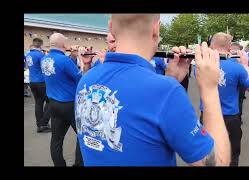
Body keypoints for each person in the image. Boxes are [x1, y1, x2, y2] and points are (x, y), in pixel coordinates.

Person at [75, 14, 231, 166]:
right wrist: (209, 89)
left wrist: (170, 79)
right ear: (156, 29)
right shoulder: (166, 92)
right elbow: (217, 162)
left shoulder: (86, 80)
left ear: (111, 27)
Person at [198, 32, 249, 166]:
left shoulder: (201, 65)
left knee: (207, 154)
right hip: (230, 117)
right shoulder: (237, 67)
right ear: (230, 47)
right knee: (231, 155)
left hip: (207, 115)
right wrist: (245, 65)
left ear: (211, 44)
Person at [40, 33, 90, 166]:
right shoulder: (64, 60)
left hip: (53, 103)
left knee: (56, 140)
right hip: (69, 104)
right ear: (63, 45)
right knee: (82, 136)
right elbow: (81, 78)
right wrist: (81, 61)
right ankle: (78, 164)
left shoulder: (44, 59)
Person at [25, 38, 51, 133]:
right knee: (50, 101)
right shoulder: (40, 55)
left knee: (38, 103)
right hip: (41, 81)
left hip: (32, 81)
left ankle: (39, 124)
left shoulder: (28, 54)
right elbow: (47, 67)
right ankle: (43, 124)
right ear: (40, 45)